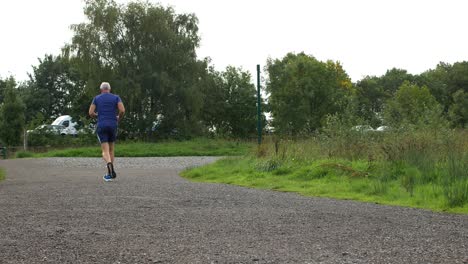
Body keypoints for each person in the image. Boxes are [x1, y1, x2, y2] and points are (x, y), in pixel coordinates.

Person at [88, 82, 125, 182]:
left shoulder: (96, 98)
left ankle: (109, 165)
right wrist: (118, 118)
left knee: (105, 151)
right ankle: (109, 173)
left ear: (101, 90)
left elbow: (90, 112)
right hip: (113, 125)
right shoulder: (116, 97)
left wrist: (97, 116)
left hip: (102, 125)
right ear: (110, 89)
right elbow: (122, 110)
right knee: (111, 149)